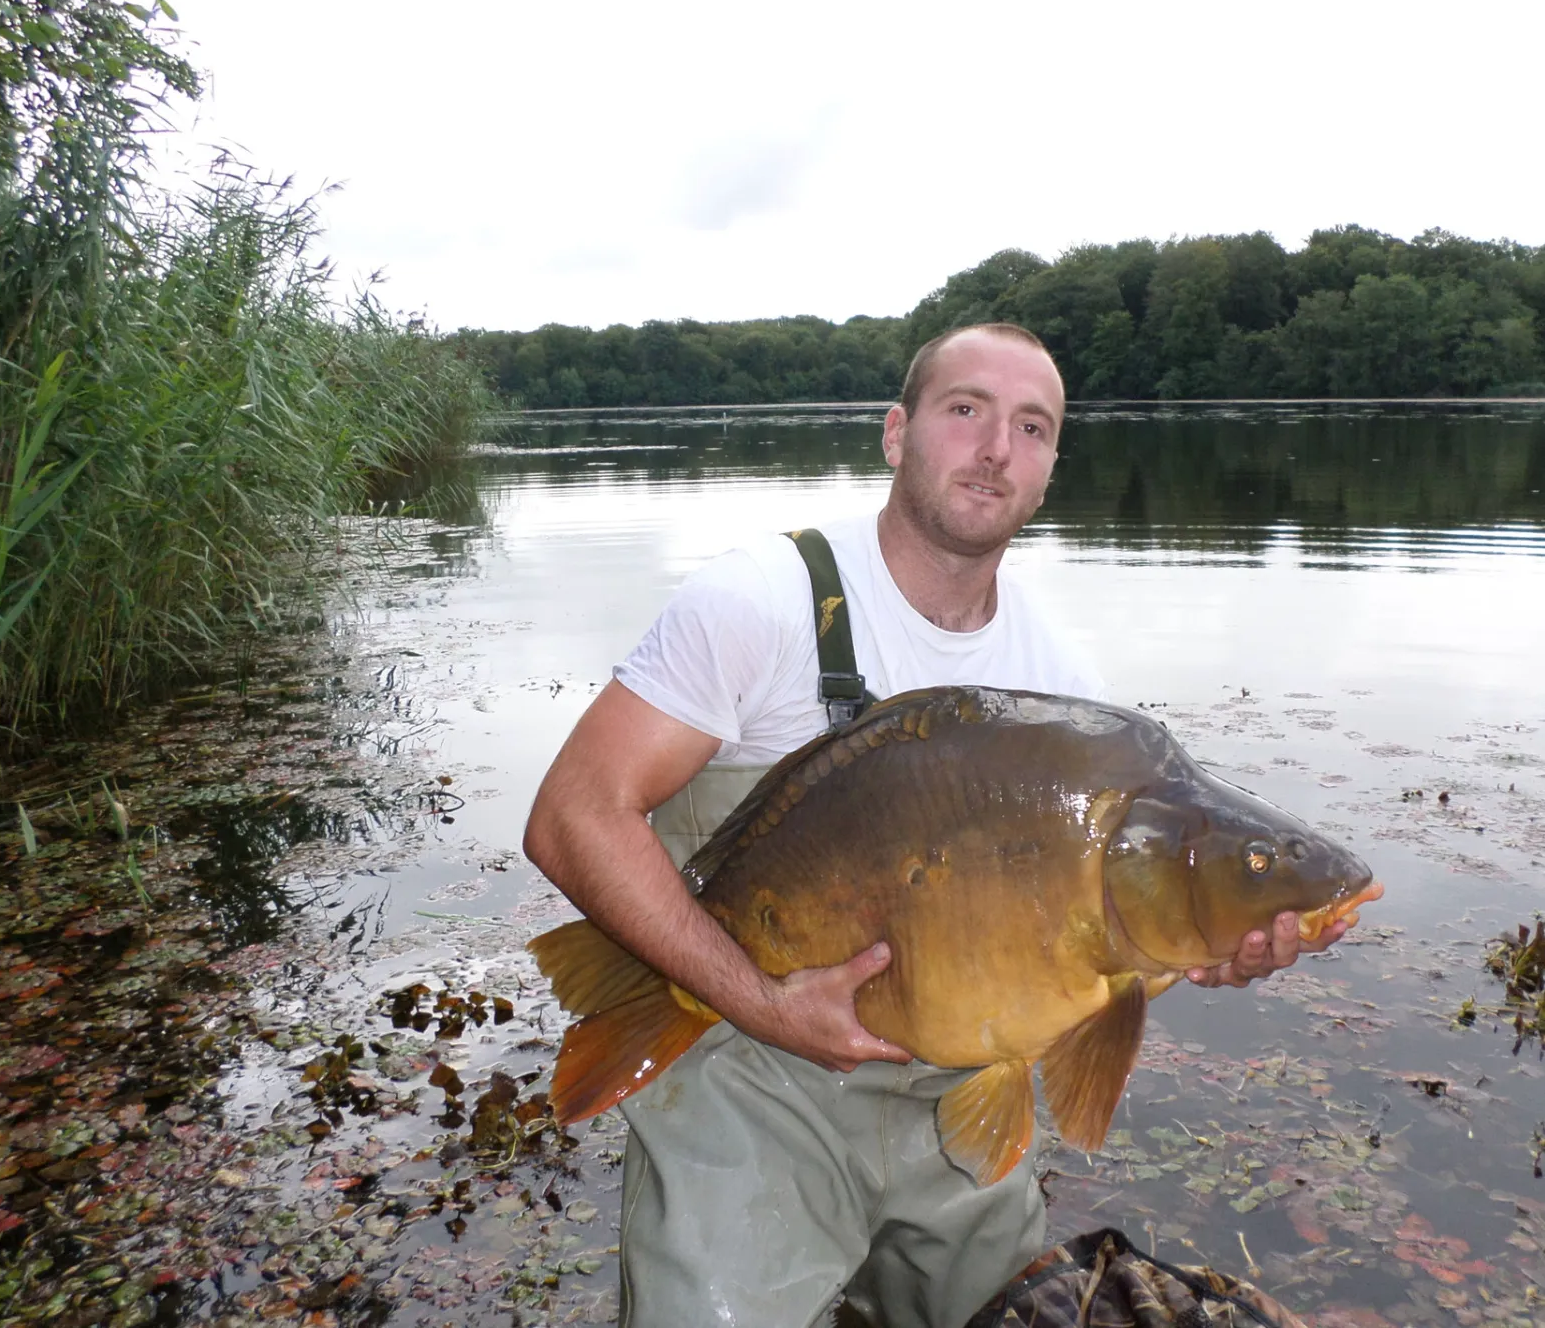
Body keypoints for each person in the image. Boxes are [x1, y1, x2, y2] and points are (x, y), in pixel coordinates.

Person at [521, 323, 1348, 1328]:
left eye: (1031, 427)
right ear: (895, 432)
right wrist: (758, 999)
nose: (996, 446)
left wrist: (1206, 942)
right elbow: (573, 815)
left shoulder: (1062, 686)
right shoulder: (765, 600)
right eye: (966, 410)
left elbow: (1083, 960)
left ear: (1047, 471)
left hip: (955, 1115)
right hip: (753, 1073)